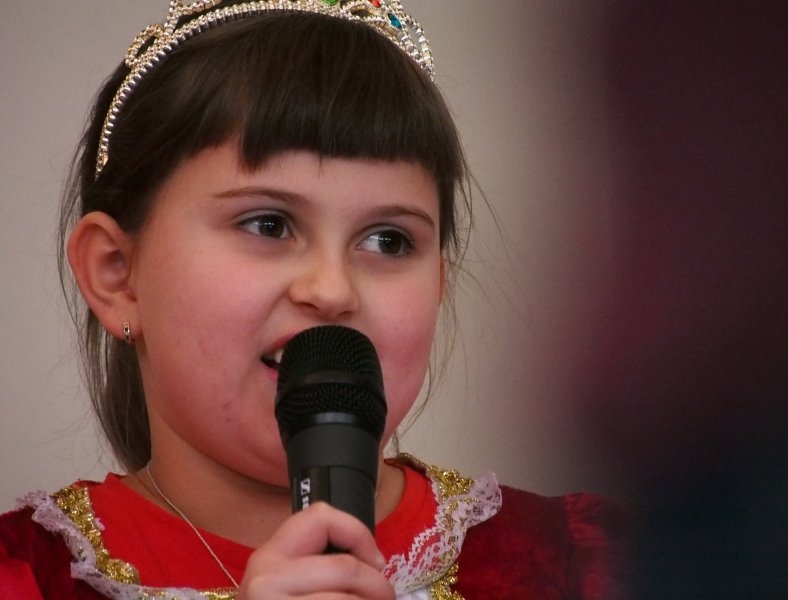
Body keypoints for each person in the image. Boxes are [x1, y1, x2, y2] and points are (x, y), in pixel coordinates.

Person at [0, 1, 627, 598]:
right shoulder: (26, 576)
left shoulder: (585, 567)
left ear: (439, 281)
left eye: (388, 240)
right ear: (117, 275)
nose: (331, 290)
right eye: (268, 224)